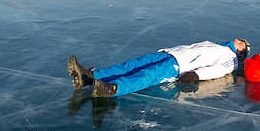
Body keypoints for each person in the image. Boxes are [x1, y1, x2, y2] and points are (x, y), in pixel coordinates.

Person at [67, 38, 249, 97]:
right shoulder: (217, 45)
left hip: (179, 65)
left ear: (241, 52)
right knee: (130, 65)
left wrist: (196, 75)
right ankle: (90, 77)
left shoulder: (230, 58)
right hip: (169, 54)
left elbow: (218, 70)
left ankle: (112, 89)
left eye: (243, 44)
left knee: (147, 75)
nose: (240, 40)